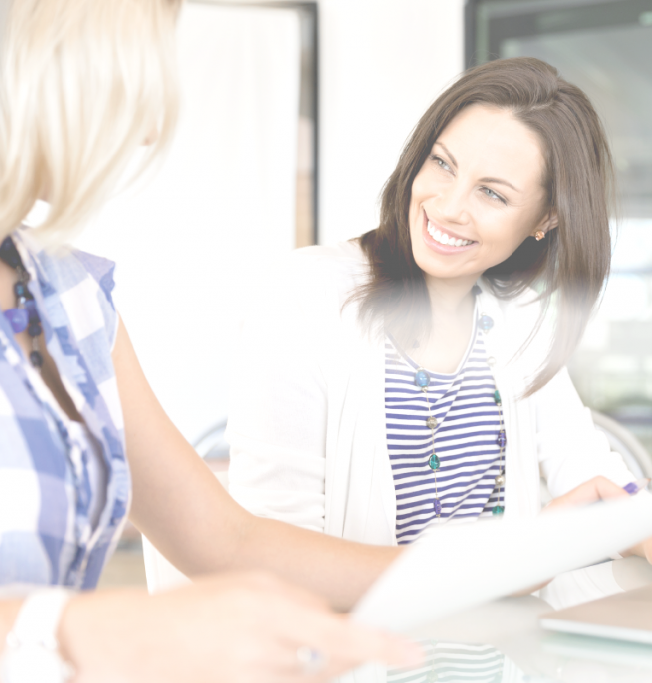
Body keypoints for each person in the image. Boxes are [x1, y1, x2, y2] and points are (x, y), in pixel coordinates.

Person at [0, 1, 425, 681]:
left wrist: (467, 569)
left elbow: (225, 542)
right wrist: (99, 630)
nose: (149, 130)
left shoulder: (71, 297)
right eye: (136, 79)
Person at [227, 57, 652, 582]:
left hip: (503, 634)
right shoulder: (303, 295)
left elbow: (584, 466)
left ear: (546, 218)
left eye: (492, 193)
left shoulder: (517, 315)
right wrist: (498, 567)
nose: (448, 206)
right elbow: (272, 556)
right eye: (442, 163)